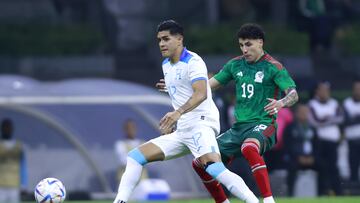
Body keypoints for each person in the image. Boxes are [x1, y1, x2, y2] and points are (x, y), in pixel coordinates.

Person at [113, 20, 259, 203]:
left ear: (179, 39)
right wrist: (173, 90)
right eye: (159, 40)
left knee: (214, 168)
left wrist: (177, 113)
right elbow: (184, 87)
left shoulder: (194, 61)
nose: (161, 44)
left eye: (166, 39)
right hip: (183, 130)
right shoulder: (166, 64)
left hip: (201, 124)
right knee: (135, 157)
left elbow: (201, 93)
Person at [190, 23, 299, 203]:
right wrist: (177, 89)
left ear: (260, 42)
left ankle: (268, 199)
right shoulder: (235, 65)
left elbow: (293, 95)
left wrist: (281, 103)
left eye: (248, 44)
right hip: (238, 129)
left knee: (249, 147)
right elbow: (207, 87)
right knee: (199, 163)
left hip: (263, 124)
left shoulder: (274, 67)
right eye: (241, 45)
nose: (244, 49)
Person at [308, 81, 343, 195]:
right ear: (317, 91)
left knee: (334, 168)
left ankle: (338, 192)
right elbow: (314, 122)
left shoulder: (334, 103)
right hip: (320, 142)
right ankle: (322, 192)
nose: (324, 92)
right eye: (322, 90)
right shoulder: (312, 104)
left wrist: (324, 119)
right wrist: (330, 119)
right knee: (322, 168)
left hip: (333, 142)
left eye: (326, 90)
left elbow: (340, 118)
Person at [283, 104, 321, 196]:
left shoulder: (312, 128)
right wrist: (298, 157)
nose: (304, 114)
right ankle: (290, 194)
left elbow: (317, 145)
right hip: (296, 158)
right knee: (291, 168)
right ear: (296, 113)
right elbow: (288, 145)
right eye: (301, 112)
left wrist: (313, 157)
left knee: (323, 166)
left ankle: (322, 193)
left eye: (306, 112)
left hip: (311, 158)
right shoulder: (290, 127)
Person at [0, 118, 25, 203]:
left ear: (12, 129)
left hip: (14, 186)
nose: (7, 130)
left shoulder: (19, 146)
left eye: (9, 127)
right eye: (5, 127)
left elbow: (23, 166)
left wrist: (23, 184)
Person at [343, 79, 360, 183]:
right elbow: (346, 120)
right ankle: (354, 191)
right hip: (352, 140)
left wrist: (355, 117)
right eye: (356, 89)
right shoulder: (347, 103)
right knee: (353, 166)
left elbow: (353, 119)